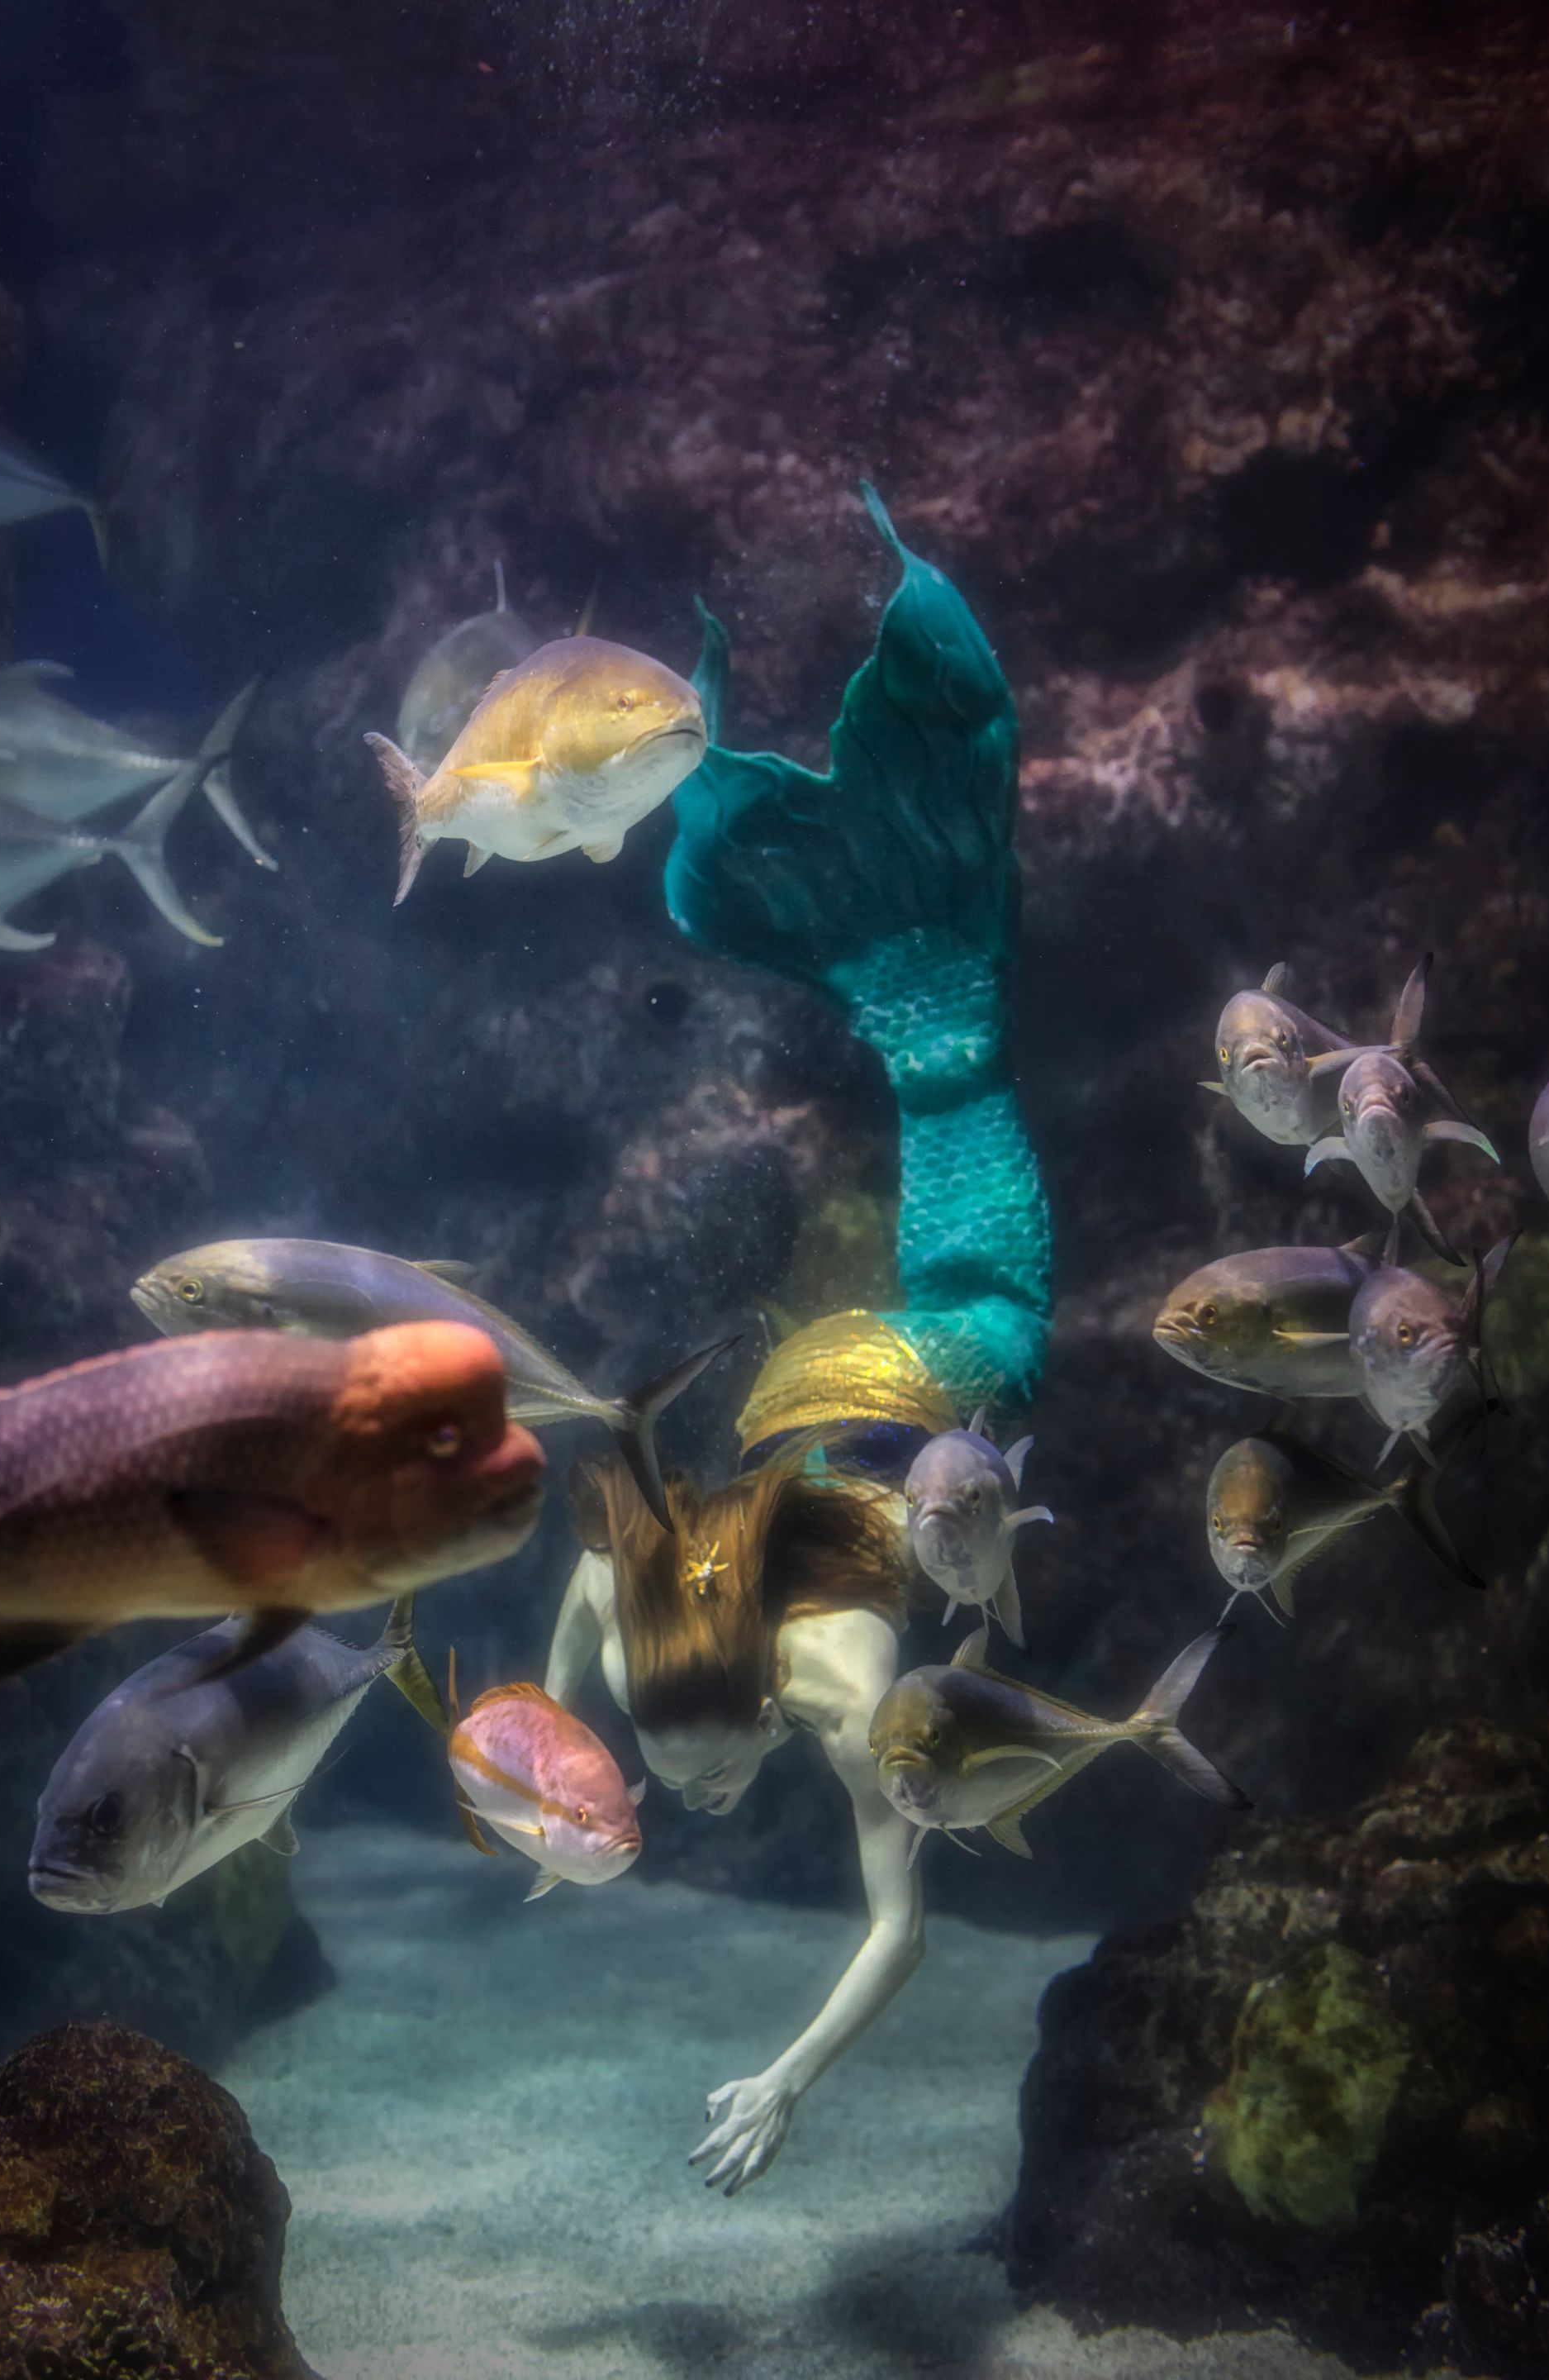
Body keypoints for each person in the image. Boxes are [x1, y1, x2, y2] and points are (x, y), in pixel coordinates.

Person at [542, 490, 1052, 2192]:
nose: (686, 1797)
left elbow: (899, 1923)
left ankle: (920, 940)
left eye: (690, 1777)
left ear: (764, 1696)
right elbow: (589, 1588)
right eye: (678, 1778)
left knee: (972, 1169)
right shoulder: (651, 1630)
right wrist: (556, 1740)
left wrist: (787, 2076)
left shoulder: (838, 1688)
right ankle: (896, 958)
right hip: (814, 1385)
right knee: (932, 1077)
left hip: (928, 1366)